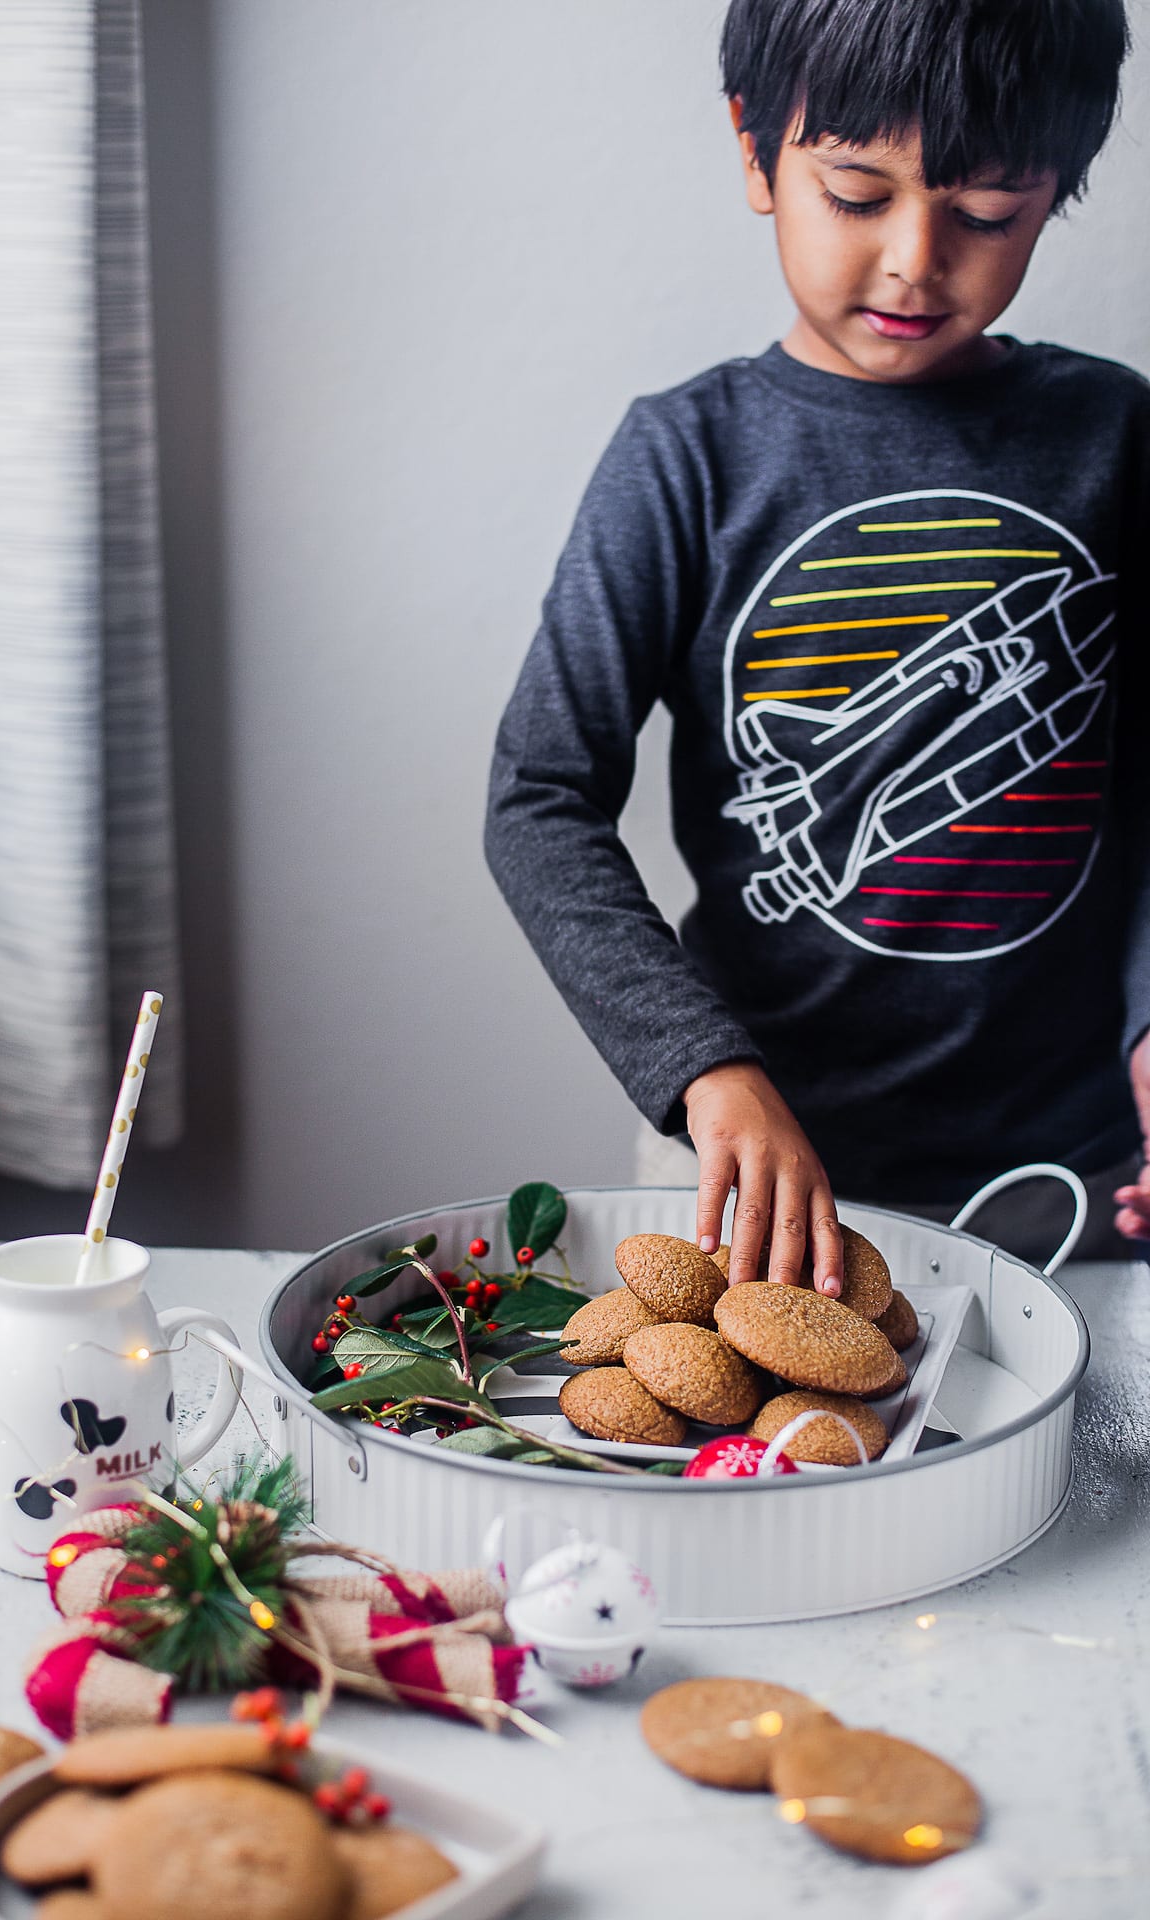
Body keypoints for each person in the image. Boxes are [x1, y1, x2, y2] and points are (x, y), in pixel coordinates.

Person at [484, 0, 1150, 1294]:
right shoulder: (685, 457)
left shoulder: (1119, 438)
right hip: (752, 1177)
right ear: (755, 149)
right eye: (857, 192)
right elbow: (539, 798)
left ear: (1059, 189)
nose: (914, 260)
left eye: (988, 213)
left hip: (1075, 1181)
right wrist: (706, 1077)